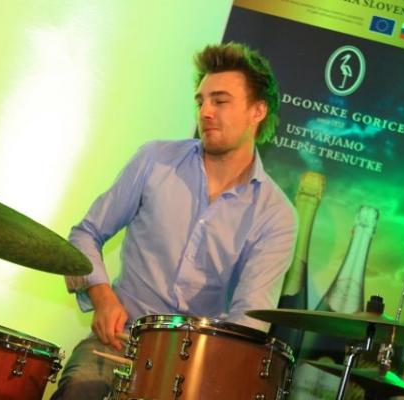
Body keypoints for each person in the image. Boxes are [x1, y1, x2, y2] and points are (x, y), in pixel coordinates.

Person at [51, 42, 297, 399]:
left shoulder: (276, 215)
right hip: (119, 342)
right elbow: (85, 234)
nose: (205, 111)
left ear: (257, 110)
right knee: (79, 388)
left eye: (220, 101)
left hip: (198, 365)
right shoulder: (155, 160)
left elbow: (249, 320)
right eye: (201, 101)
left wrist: (194, 371)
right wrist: (103, 299)